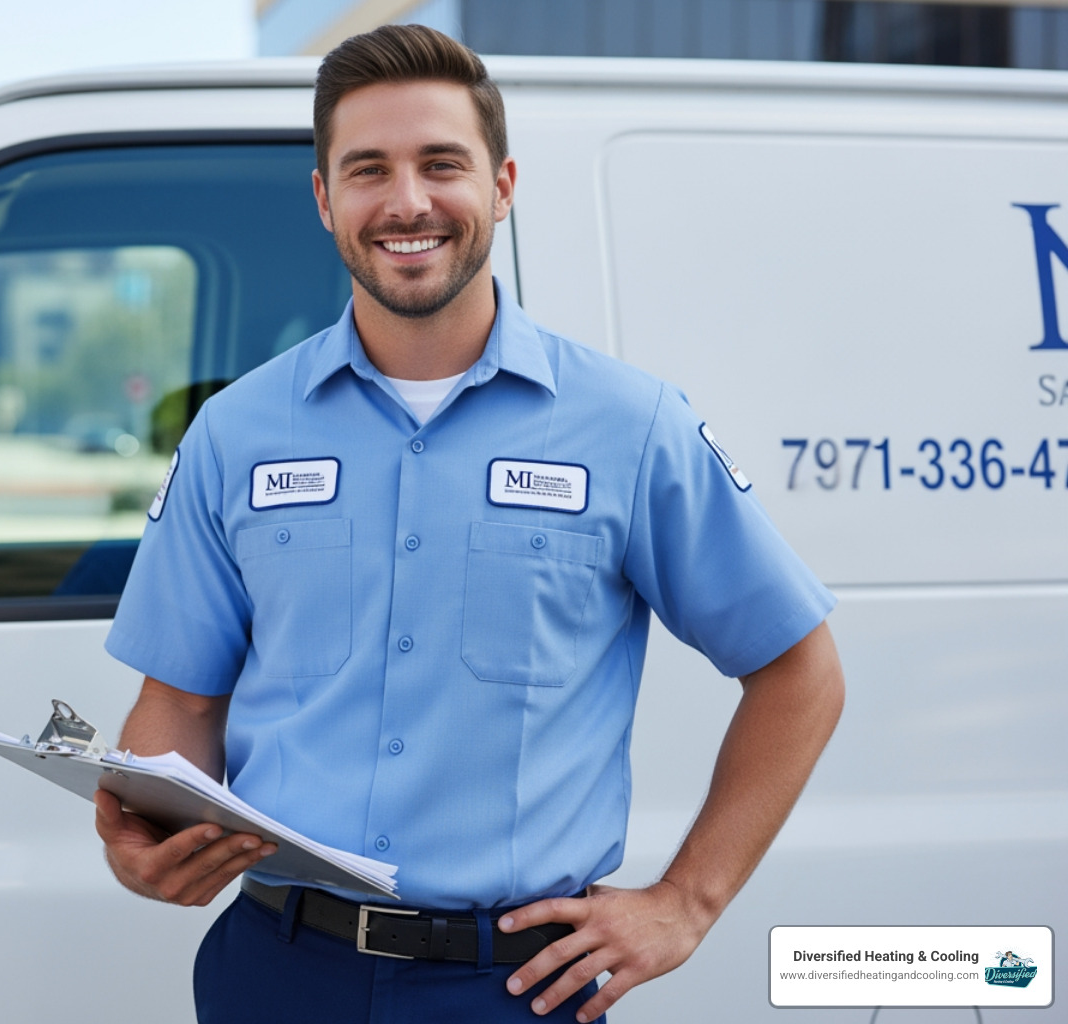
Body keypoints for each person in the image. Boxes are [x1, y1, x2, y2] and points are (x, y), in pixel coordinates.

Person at [96, 23, 845, 1024]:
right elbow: (179, 708)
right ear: (326, 200)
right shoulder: (237, 433)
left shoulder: (630, 426)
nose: (407, 201)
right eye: (369, 170)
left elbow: (801, 670)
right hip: (275, 973)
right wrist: (144, 828)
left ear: (501, 186)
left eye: (441, 164)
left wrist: (686, 902)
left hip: (514, 988)